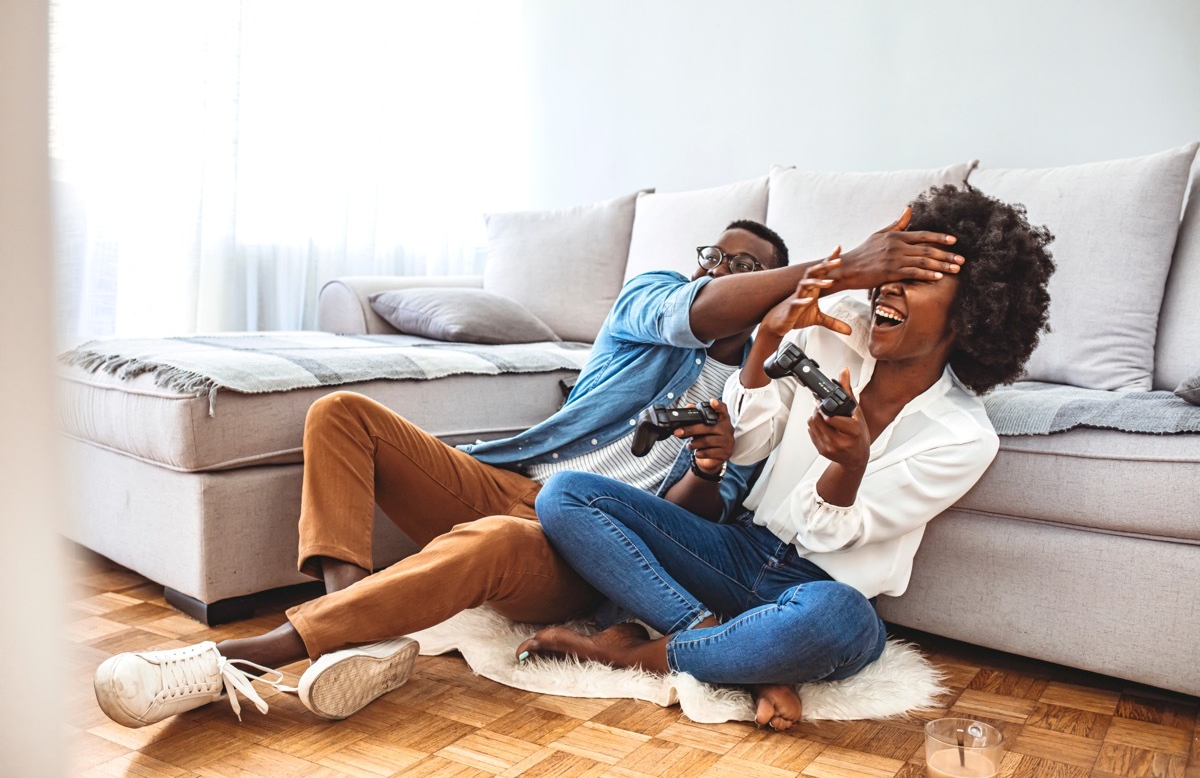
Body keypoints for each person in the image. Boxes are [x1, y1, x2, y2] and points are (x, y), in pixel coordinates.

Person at [93, 214, 964, 729]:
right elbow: (692, 310)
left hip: (590, 545)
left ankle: (253, 655)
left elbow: (705, 518)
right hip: (521, 474)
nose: (723, 270)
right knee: (341, 413)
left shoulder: (768, 383)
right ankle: (353, 624)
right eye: (721, 257)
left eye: (747, 267)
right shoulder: (654, 300)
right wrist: (818, 270)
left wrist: (709, 457)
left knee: (508, 537)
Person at [519, 184, 1056, 731]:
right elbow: (749, 444)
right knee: (567, 495)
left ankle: (633, 657)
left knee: (841, 624)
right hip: (737, 550)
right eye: (891, 271)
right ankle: (722, 643)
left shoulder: (963, 437)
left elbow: (826, 535)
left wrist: (847, 466)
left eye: (916, 279)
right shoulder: (835, 327)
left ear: (971, 313)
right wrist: (769, 335)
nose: (887, 286)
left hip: (817, 587)